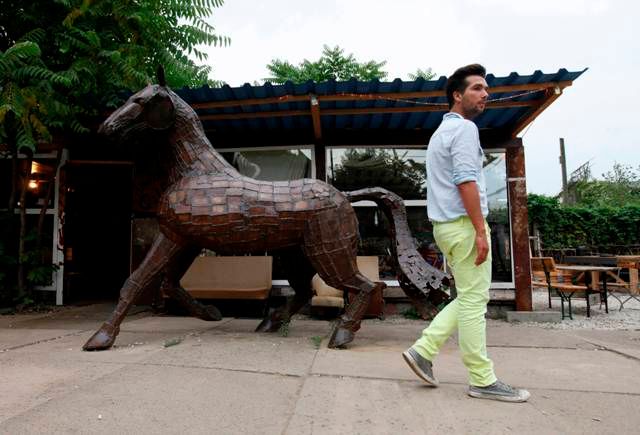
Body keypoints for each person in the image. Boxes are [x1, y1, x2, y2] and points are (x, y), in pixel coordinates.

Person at [402, 64, 530, 403]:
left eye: (485, 89)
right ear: (457, 96)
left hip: (447, 228)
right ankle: (482, 379)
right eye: (476, 88)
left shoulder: (439, 134)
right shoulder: (464, 130)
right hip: (463, 225)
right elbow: (465, 181)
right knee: (474, 302)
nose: (485, 94)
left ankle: (423, 350)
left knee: (469, 298)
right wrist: (479, 230)